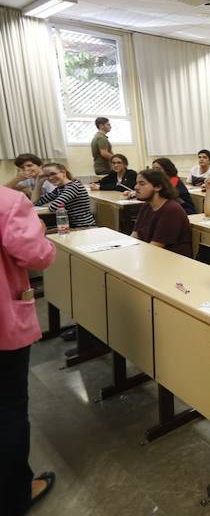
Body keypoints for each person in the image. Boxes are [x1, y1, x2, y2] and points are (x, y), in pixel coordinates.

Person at [0, 186, 57, 514]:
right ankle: (14, 495)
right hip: (3, 329)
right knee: (8, 411)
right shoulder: (7, 202)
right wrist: (40, 235)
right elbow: (38, 256)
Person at [130, 169, 193, 257]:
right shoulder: (146, 206)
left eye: (142, 184)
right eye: (136, 183)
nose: (136, 187)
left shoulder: (172, 210)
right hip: (152, 254)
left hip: (171, 260)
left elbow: (156, 246)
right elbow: (135, 236)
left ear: (158, 187)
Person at [32, 164, 95, 228]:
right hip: (71, 226)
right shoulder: (59, 189)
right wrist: (38, 183)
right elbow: (35, 202)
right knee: (40, 233)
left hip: (84, 227)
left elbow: (54, 206)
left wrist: (51, 204)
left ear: (63, 173)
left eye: (53, 174)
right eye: (46, 176)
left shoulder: (74, 186)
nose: (50, 178)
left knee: (41, 235)